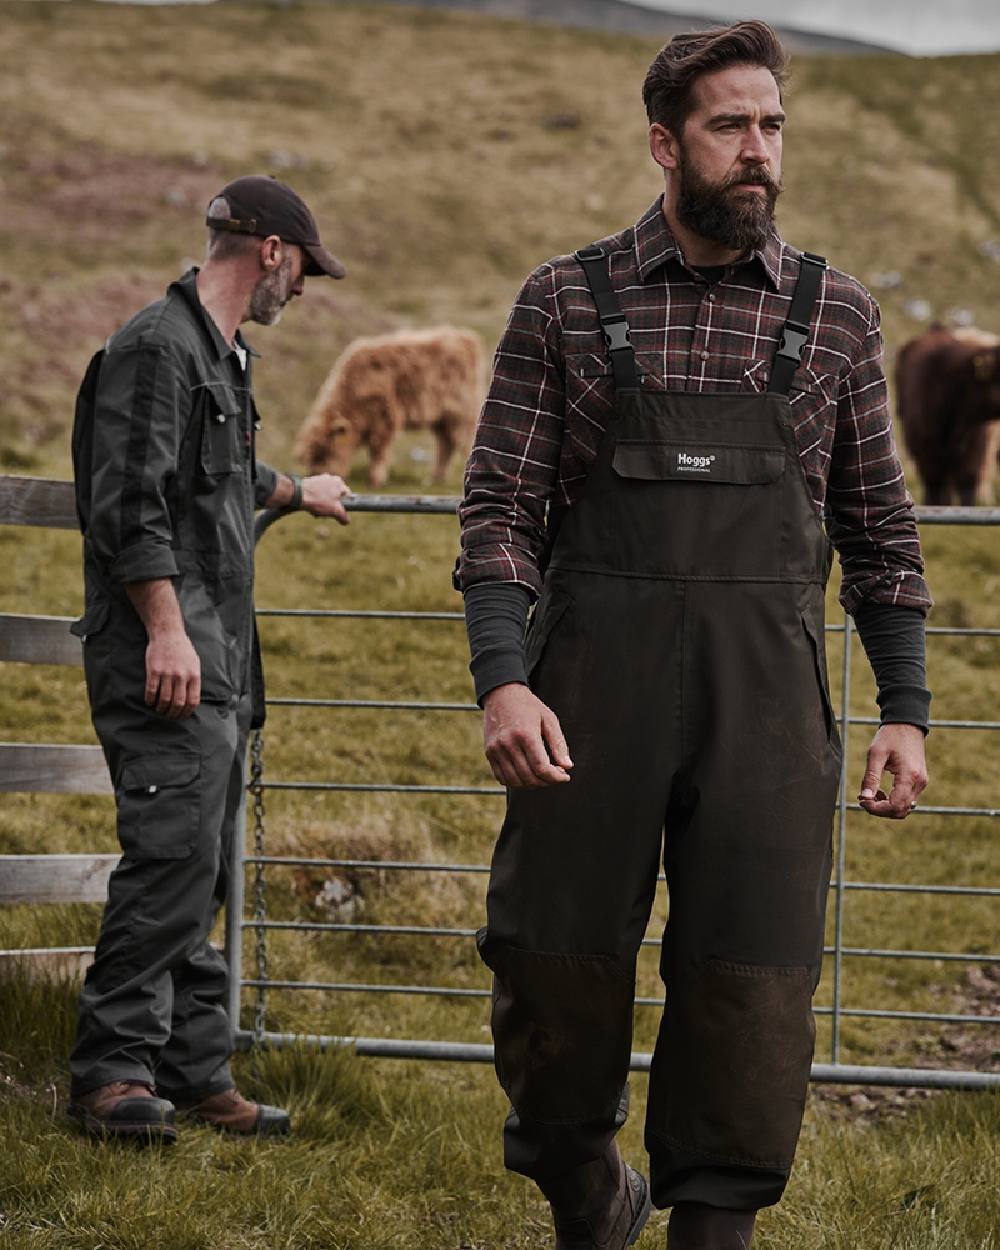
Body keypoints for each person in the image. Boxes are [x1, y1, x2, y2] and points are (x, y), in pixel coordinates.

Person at [456, 22, 931, 1250]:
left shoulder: (836, 318)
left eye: (772, 125)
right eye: (731, 126)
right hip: (580, 707)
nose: (758, 151)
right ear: (666, 142)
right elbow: (501, 512)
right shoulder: (567, 299)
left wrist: (903, 706)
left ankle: (709, 1228)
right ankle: (581, 1183)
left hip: (764, 713)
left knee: (750, 983)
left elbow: (881, 534)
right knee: (550, 958)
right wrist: (503, 682)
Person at [67, 175, 353, 1144]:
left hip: (214, 656)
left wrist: (293, 487)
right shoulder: (156, 345)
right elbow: (127, 500)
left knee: (205, 868)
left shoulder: (218, 356)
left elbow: (213, 477)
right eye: (306, 266)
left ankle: (192, 1067)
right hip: (168, 654)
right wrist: (163, 623)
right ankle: (111, 1069)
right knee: (170, 856)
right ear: (270, 247)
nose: (306, 288)